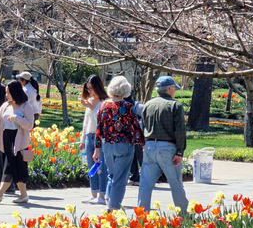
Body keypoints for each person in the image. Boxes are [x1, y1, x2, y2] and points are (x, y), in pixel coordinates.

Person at [137, 76, 189, 213]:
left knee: (145, 185)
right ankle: (183, 215)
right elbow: (180, 131)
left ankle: (142, 216)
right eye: (174, 88)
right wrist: (179, 152)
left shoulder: (147, 104)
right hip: (167, 148)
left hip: (149, 147)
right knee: (175, 184)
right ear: (170, 88)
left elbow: (142, 126)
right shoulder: (175, 105)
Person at [95, 76, 144, 210]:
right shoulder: (128, 106)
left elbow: (98, 128)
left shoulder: (104, 105)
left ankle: (109, 200)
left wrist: (97, 149)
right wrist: (142, 143)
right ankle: (113, 208)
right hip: (124, 144)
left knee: (111, 174)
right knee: (120, 178)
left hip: (107, 145)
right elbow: (136, 127)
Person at [0, 81, 35, 204]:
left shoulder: (26, 106)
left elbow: (29, 125)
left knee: (10, 166)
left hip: (18, 140)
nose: (6, 95)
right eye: (6, 92)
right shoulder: (5, 106)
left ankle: (0, 193)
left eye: (8, 92)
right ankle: (23, 195)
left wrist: (17, 118)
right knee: (17, 168)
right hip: (5, 138)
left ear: (15, 92)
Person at [80, 74, 109, 204]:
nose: (89, 91)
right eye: (87, 89)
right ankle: (93, 193)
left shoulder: (105, 102)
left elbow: (102, 122)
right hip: (89, 135)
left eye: (91, 88)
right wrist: (82, 140)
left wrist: (91, 108)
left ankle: (102, 195)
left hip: (101, 137)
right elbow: (85, 123)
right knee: (91, 166)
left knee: (101, 166)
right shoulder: (90, 101)